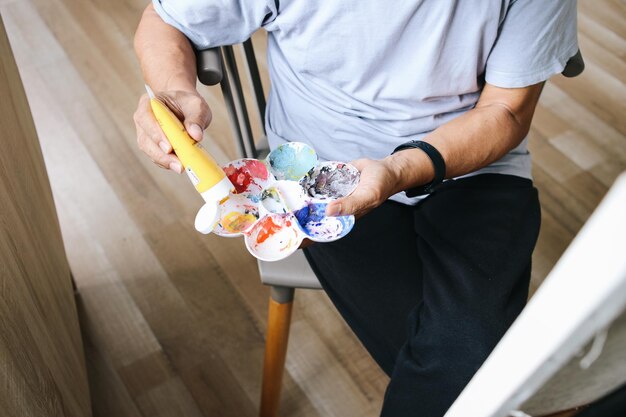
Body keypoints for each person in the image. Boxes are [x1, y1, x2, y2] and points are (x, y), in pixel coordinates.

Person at [133, 1, 579, 415]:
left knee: (462, 361)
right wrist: (173, 90)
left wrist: (400, 169)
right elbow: (166, 19)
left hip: (473, 161)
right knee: (475, 366)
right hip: (319, 171)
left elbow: (506, 110)